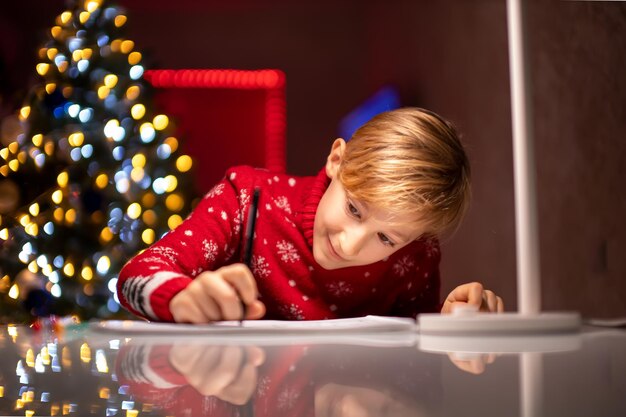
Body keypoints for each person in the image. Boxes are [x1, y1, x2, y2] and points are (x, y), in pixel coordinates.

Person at [117, 107, 504, 323]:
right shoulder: (246, 201)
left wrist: (451, 325)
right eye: (354, 209)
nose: (350, 245)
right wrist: (182, 296)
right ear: (338, 159)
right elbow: (135, 276)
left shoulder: (416, 256)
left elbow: (412, 371)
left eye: (386, 239)